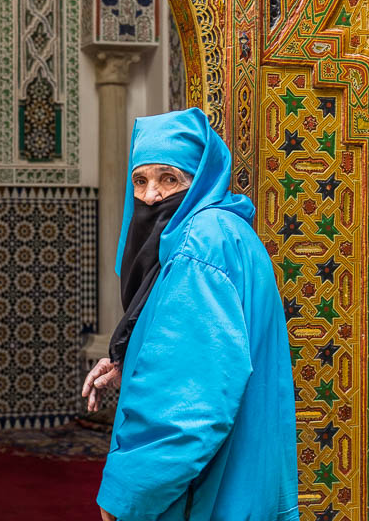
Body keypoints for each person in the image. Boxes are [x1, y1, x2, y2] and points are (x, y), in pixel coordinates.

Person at [83, 108, 299, 520]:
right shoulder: (227, 232)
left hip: (205, 495)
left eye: (169, 179)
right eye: (140, 180)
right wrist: (130, 361)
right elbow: (202, 351)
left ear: (200, 178)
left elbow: (188, 403)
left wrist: (127, 490)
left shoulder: (201, 244)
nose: (150, 196)